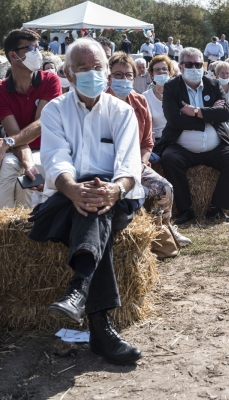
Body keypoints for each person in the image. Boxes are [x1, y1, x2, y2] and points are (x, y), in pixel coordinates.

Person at [33, 37, 145, 366]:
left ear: (107, 73)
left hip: (116, 195)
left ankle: (79, 287)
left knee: (97, 209)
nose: (91, 73)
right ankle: (100, 330)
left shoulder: (122, 112)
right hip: (68, 196)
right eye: (83, 68)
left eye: (97, 67)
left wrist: (114, 189)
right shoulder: (54, 110)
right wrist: (73, 190)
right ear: (68, 73)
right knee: (95, 217)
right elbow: (55, 161)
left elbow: (129, 166)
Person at [154, 47, 229, 224]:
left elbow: (225, 113)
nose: (195, 68)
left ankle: (216, 208)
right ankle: (185, 209)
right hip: (182, 148)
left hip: (215, 148)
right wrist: (209, 116)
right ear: (180, 67)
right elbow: (174, 120)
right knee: (169, 159)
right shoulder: (172, 87)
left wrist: (194, 111)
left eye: (198, 64)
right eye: (189, 64)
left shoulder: (212, 84)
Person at [107, 52, 191, 246]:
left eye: (129, 75)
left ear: (135, 78)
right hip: (105, 165)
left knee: (164, 188)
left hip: (135, 163)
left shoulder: (139, 101)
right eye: (118, 75)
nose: (124, 79)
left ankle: (163, 229)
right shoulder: (100, 102)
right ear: (109, 76)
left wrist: (141, 164)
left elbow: (146, 142)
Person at [0, 29, 62, 208]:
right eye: (31, 48)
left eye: (38, 47)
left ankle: (25, 229)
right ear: (13, 55)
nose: (38, 53)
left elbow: (41, 124)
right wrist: (26, 162)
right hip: (18, 150)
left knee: (25, 177)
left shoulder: (50, 80)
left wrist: (7, 143)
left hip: (46, 149)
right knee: (9, 168)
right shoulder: (2, 89)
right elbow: (16, 135)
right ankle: (6, 227)